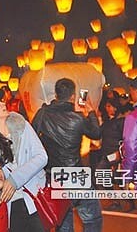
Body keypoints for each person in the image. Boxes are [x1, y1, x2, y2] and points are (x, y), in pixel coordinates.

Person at [0, 88, 48, 232]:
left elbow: (42, 156)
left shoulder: (22, 126)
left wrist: (14, 179)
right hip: (11, 201)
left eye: (1, 100)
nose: (2, 104)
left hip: (35, 195)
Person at [32, 77, 102, 232]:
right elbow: (96, 133)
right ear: (73, 96)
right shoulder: (78, 118)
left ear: (56, 95)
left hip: (54, 174)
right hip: (75, 173)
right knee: (91, 218)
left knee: (63, 220)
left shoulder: (43, 113)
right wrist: (90, 111)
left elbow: (31, 138)